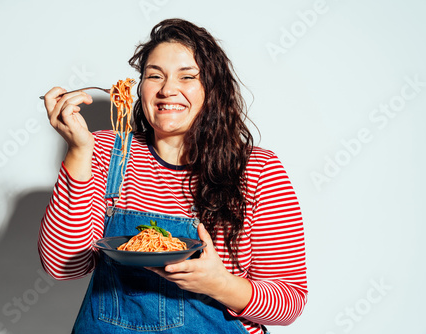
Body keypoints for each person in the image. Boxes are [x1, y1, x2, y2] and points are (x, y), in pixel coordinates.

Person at [39, 18, 307, 334]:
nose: (168, 89)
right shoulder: (107, 151)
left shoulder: (256, 169)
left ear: (212, 89)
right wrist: (78, 151)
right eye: (155, 75)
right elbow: (63, 266)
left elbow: (290, 300)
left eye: (187, 76)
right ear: (140, 87)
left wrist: (219, 283)